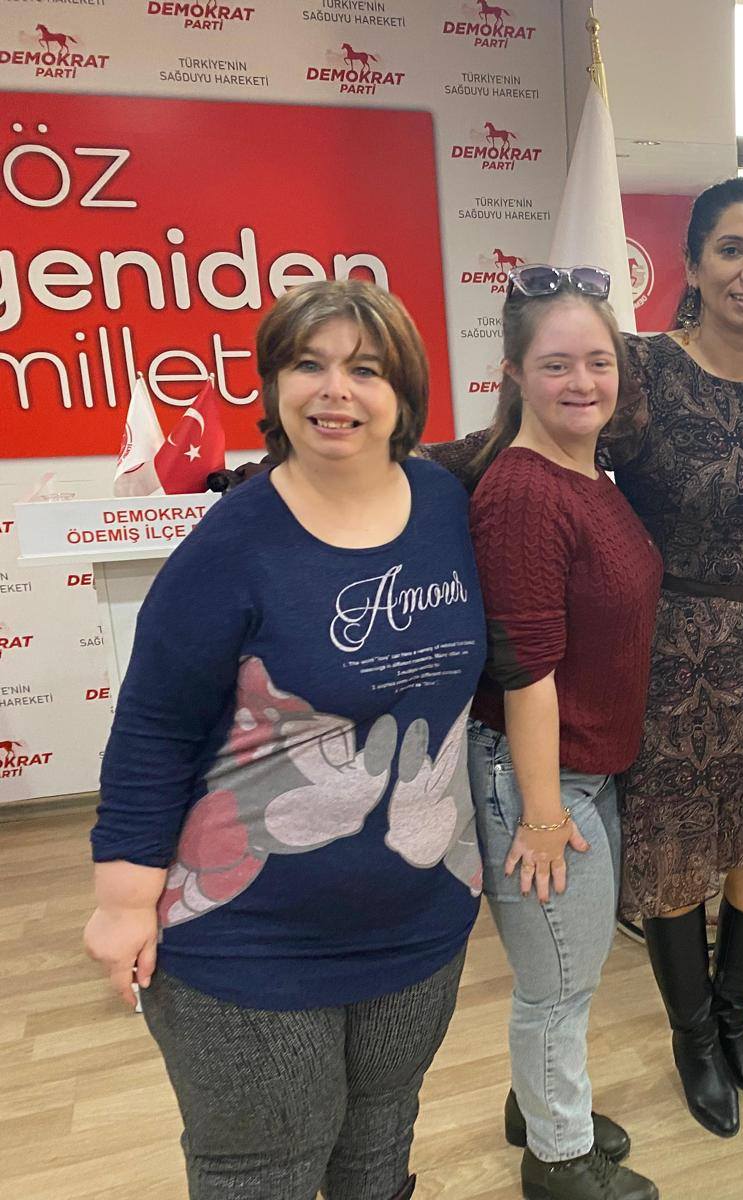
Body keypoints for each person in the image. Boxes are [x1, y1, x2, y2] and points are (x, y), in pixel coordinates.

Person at [84, 280, 486, 1200]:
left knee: (377, 1149)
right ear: (273, 386)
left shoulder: (443, 501)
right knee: (263, 1169)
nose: (335, 389)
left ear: (405, 394)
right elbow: (153, 728)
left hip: (418, 915)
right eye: (309, 364)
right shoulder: (233, 543)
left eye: (365, 369)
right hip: (250, 937)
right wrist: (122, 903)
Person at [604, 177, 743, 1138]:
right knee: (677, 857)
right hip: (675, 656)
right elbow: (542, 449)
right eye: (732, 249)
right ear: (692, 263)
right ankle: (693, 1035)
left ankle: (737, 1018)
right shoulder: (640, 370)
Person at [465, 265, 662, 1200]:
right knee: (558, 981)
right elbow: (527, 672)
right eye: (556, 365)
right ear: (514, 373)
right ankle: (557, 1158)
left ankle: (540, 1105)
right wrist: (541, 815)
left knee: (566, 966)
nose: (583, 382)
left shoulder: (590, 470)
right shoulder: (523, 493)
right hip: (542, 777)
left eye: (598, 361)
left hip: (587, 767)